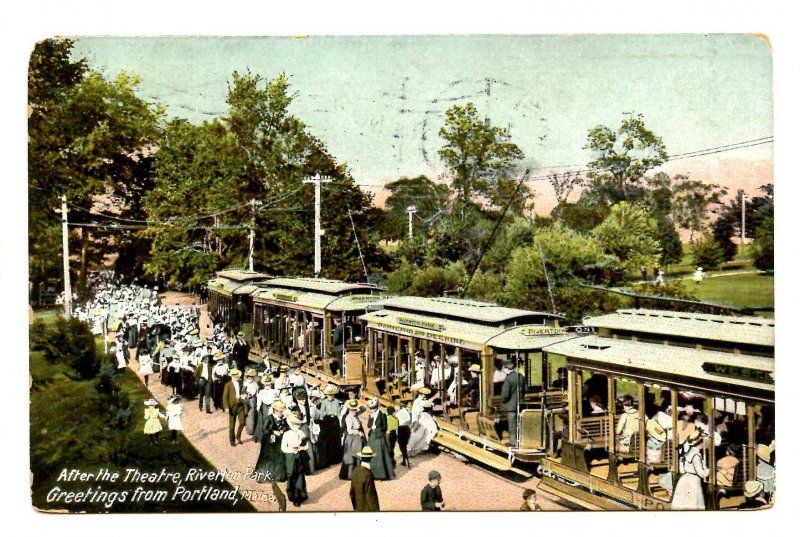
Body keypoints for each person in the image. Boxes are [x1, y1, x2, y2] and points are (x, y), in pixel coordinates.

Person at [671, 429, 709, 510]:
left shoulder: (688, 452)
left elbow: (682, 470)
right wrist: (710, 470)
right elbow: (701, 473)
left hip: (683, 480)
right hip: (693, 483)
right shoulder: (696, 455)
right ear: (700, 442)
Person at [254, 401, 289, 484]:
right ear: (275, 410)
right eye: (280, 411)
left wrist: (282, 430)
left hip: (279, 442)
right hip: (268, 443)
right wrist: (273, 432)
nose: (281, 412)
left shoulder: (283, 418)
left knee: (279, 458)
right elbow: (264, 430)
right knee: (268, 459)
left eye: (282, 411)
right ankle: (265, 476)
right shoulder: (269, 418)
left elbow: (286, 427)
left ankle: (278, 476)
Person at [282, 412, 311, 508]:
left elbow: (306, 445)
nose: (297, 426)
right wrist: (291, 449)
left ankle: (299, 497)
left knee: (300, 477)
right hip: (290, 458)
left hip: (299, 456)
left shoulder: (301, 433)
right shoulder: (287, 434)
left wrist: (299, 448)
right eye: (295, 424)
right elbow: (283, 447)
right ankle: (292, 496)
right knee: (291, 477)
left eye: (298, 424)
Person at [366, 398, 396, 480]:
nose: (371, 410)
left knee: (380, 455)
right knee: (371, 455)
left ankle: (381, 474)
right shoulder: (371, 415)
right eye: (371, 408)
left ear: (376, 407)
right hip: (372, 436)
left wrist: (378, 430)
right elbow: (368, 425)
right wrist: (371, 419)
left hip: (379, 437)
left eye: (373, 408)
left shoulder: (382, 415)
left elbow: (385, 427)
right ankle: (372, 473)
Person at [500, 359, 525, 448]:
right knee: (519, 424)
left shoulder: (509, 378)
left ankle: (513, 442)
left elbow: (505, 394)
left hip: (510, 406)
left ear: (506, 368)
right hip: (519, 404)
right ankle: (520, 440)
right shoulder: (521, 377)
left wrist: (503, 401)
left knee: (512, 425)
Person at [318, 384, 343, 469]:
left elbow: (339, 413)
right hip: (327, 421)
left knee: (335, 439)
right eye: (329, 395)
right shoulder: (324, 402)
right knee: (328, 440)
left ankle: (336, 458)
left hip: (335, 420)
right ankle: (329, 459)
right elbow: (322, 412)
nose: (330, 396)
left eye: (331, 395)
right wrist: (322, 419)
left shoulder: (337, 402)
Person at [340, 399, 366, 480]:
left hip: (357, 438)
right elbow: (349, 430)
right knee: (353, 456)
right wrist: (358, 432)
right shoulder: (349, 417)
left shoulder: (354, 414)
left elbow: (363, 409)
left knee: (358, 456)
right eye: (352, 409)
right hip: (352, 438)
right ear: (349, 409)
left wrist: (358, 403)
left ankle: (357, 473)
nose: (354, 410)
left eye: (355, 409)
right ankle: (351, 475)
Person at [350, 446, 380, 512]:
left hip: (359, 507)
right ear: (371, 459)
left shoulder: (355, 471)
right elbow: (370, 496)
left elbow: (352, 493)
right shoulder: (368, 474)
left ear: (361, 458)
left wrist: (356, 507)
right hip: (368, 510)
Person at [223, 369, 246, 446]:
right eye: (236, 375)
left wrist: (244, 395)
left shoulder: (240, 383)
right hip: (232, 406)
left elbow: (243, 391)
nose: (238, 376)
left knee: (242, 422)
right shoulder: (228, 385)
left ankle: (238, 437)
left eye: (238, 375)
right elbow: (225, 397)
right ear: (232, 376)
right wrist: (226, 407)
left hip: (240, 405)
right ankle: (232, 440)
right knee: (232, 425)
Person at [395, 403, 412, 468]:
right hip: (407, 429)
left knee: (402, 447)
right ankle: (405, 460)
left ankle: (406, 460)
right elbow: (409, 420)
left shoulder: (397, 415)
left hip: (401, 429)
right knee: (404, 446)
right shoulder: (405, 411)